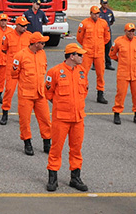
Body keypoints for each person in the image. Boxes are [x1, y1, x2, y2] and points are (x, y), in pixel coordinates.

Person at [45, 43, 89, 192]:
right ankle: (52, 178)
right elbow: (48, 93)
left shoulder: (82, 71)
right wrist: (62, 105)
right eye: (79, 55)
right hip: (61, 118)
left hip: (78, 118)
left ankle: (75, 178)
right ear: (72, 56)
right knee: (56, 149)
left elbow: (84, 91)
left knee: (76, 149)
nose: (82, 57)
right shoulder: (55, 72)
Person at [11, 31, 51, 155]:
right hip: (26, 94)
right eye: (42, 43)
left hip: (40, 94)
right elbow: (14, 73)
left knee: (45, 119)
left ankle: (47, 142)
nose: (44, 45)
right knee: (25, 121)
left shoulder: (42, 54)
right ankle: (27, 143)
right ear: (35, 43)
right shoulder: (20, 56)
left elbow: (44, 69)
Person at [110, 23, 136, 125]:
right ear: (125, 31)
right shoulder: (118, 41)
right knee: (120, 94)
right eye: (129, 31)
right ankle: (117, 113)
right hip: (123, 72)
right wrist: (121, 61)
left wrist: (134, 62)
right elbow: (112, 54)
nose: (131, 33)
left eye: (133, 31)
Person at [0, 15, 31, 125]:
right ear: (16, 26)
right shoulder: (8, 36)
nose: (25, 28)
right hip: (12, 69)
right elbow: (4, 50)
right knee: (9, 91)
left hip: (25, 70)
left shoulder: (29, 36)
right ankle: (5, 113)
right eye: (22, 26)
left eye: (26, 26)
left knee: (24, 94)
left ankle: (23, 115)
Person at [76, 6, 110, 104]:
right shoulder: (84, 23)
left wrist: (100, 45)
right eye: (94, 13)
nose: (96, 15)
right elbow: (79, 37)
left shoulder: (103, 23)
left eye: (98, 13)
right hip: (87, 52)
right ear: (90, 13)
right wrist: (86, 45)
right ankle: (81, 92)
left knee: (100, 74)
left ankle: (100, 94)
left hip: (99, 53)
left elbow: (107, 38)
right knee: (83, 73)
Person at [99, 0, 116, 69]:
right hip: (99, 32)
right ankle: (96, 64)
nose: (105, 5)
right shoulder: (98, 12)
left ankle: (108, 64)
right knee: (99, 49)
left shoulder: (110, 12)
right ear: (101, 4)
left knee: (108, 48)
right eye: (104, 3)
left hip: (107, 32)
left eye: (106, 3)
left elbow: (112, 21)